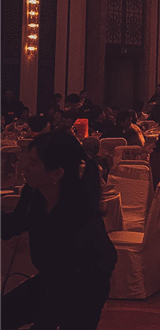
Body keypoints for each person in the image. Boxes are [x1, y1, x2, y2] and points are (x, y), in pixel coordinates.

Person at [1, 131, 117, 329]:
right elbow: (11, 226)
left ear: (56, 173)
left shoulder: (78, 212)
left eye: (33, 163)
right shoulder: (34, 193)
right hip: (53, 280)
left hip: (85, 288)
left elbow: (91, 269)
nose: (25, 167)